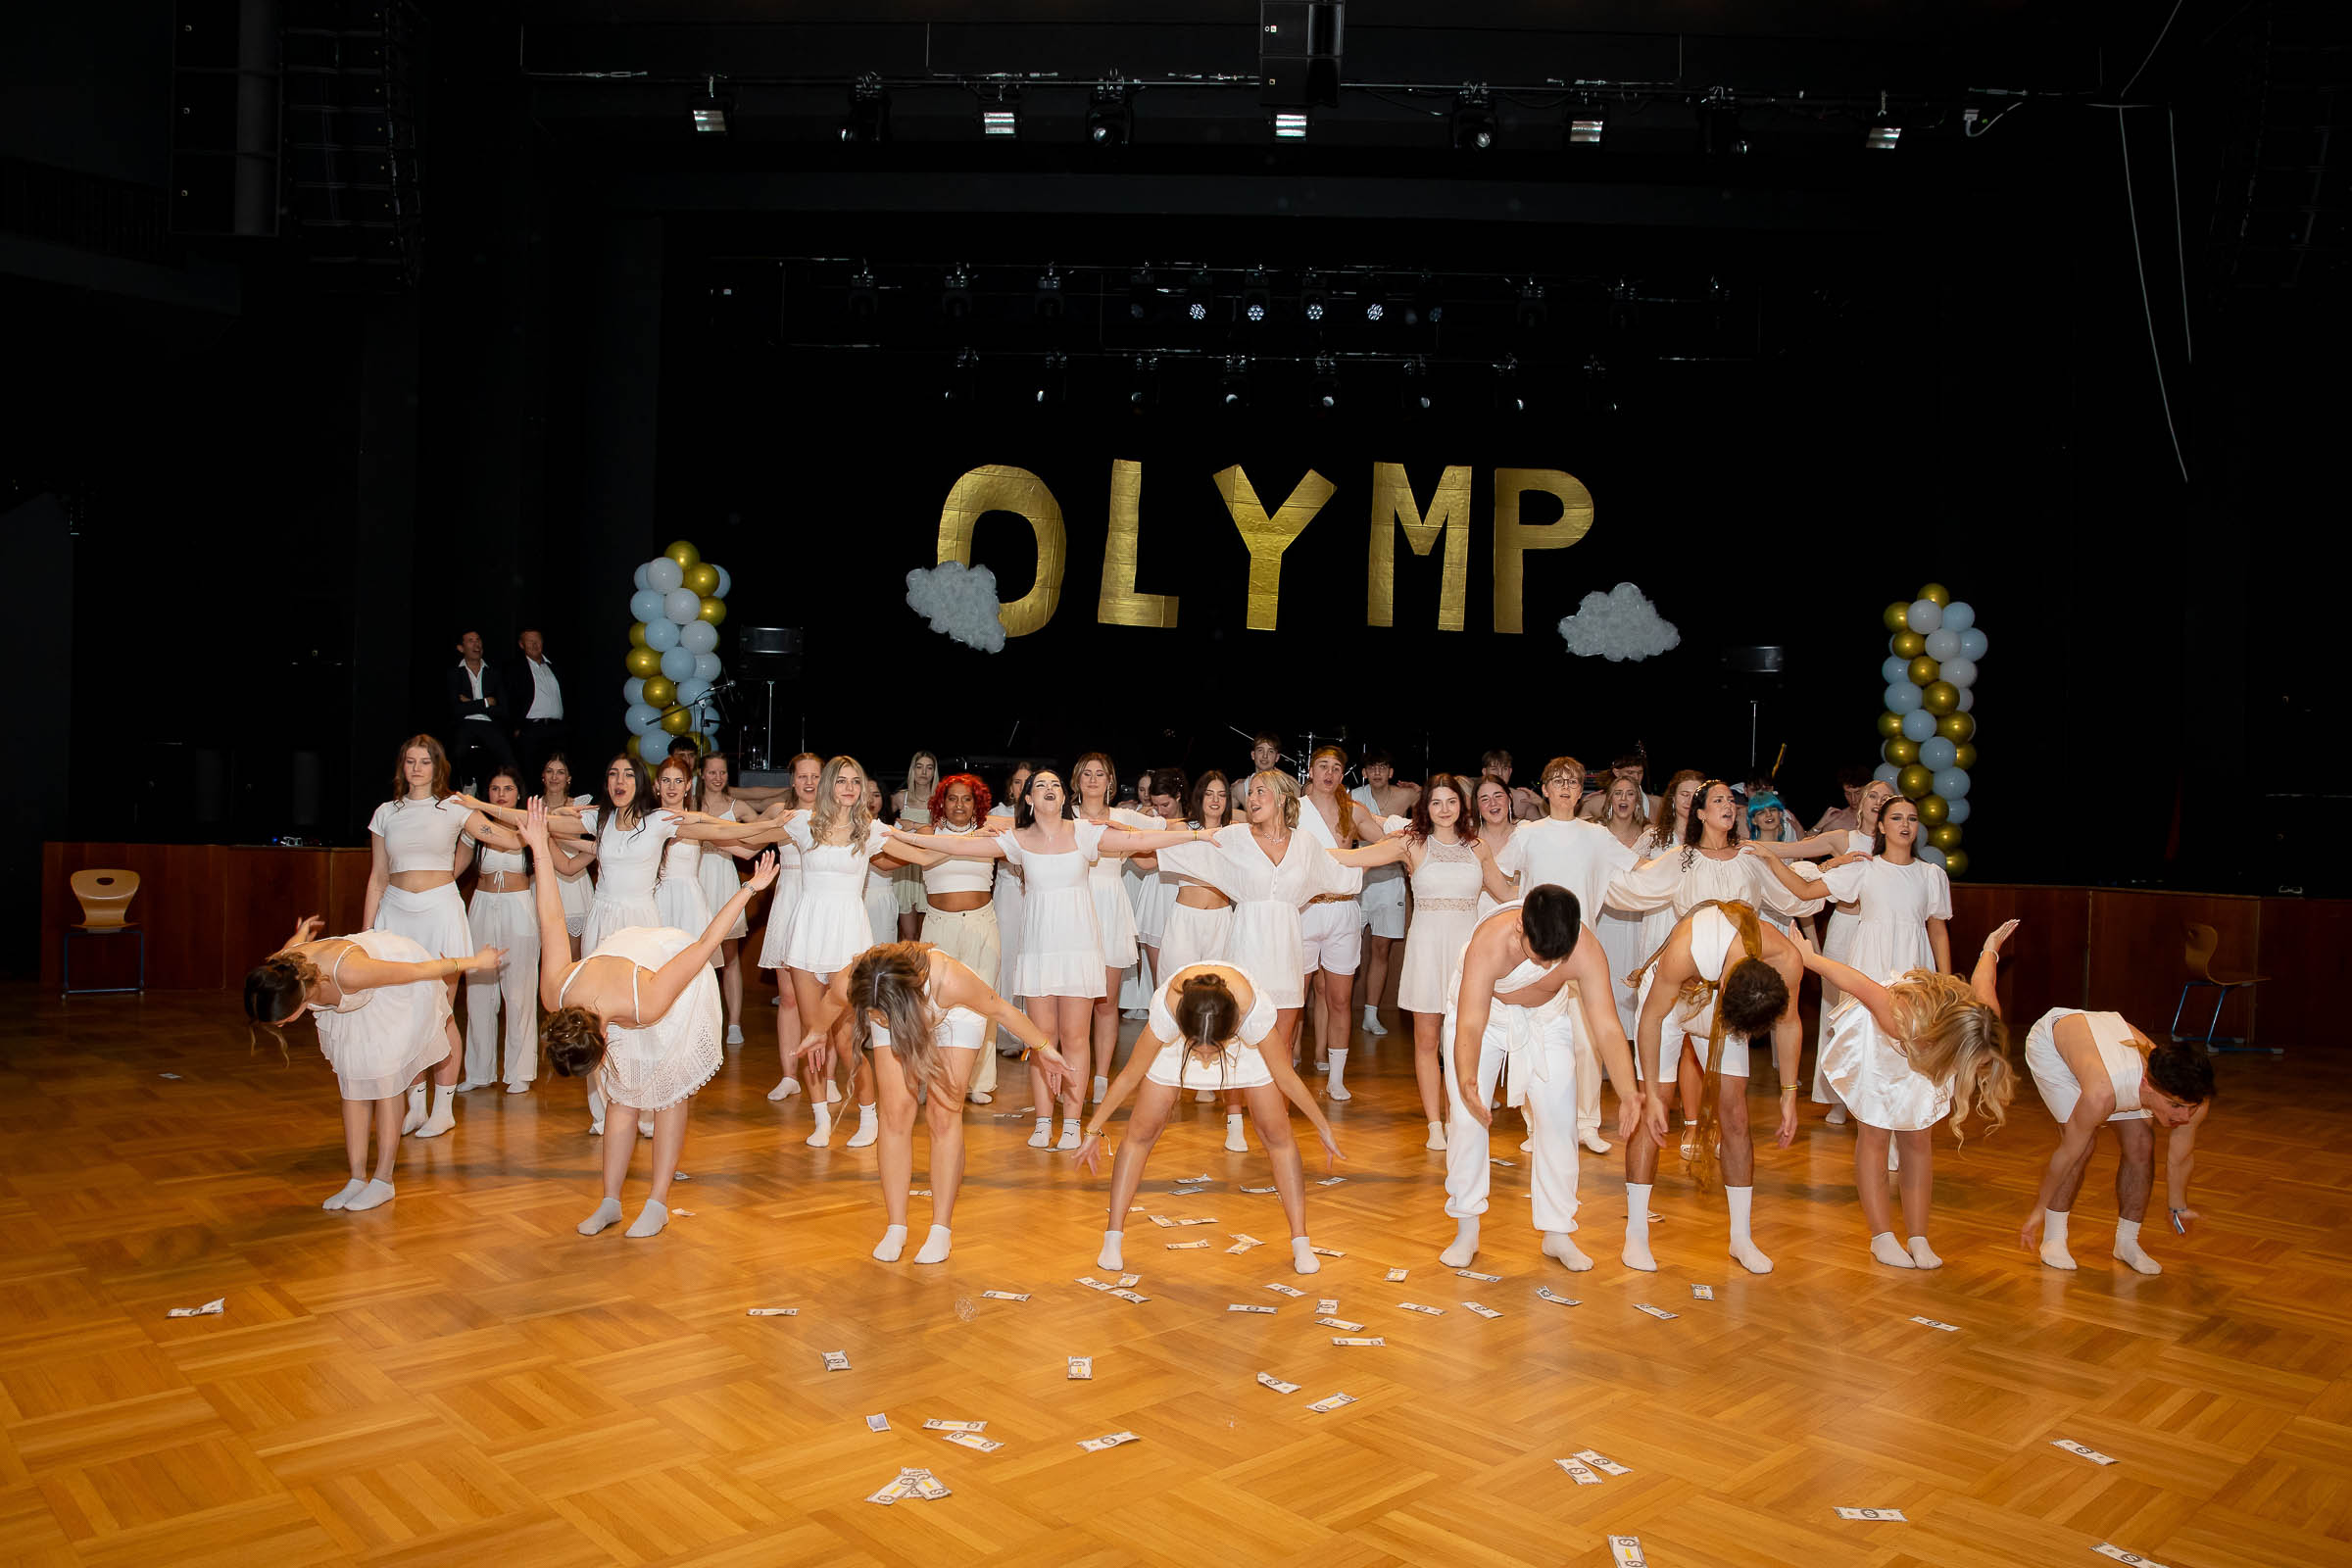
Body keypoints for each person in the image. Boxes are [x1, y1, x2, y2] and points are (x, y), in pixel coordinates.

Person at [888, 766, 1202, 1151]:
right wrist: (901, 834)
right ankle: (1042, 1121)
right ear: (1029, 799)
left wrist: (1197, 834)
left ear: (1063, 796)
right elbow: (956, 846)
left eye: (1055, 784)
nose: (1049, 788)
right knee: (1041, 1039)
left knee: (1075, 1038)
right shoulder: (1018, 839)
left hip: (1079, 947)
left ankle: (1071, 1122)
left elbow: (1142, 838)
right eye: (1041, 785)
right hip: (1038, 948)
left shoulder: (1085, 832)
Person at [457, 754, 762, 1135]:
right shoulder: (598, 818)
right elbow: (543, 824)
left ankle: (646, 1108)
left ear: (643, 783)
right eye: (613, 773)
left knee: (642, 1022)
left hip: (641, 918)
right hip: (603, 916)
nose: (620, 780)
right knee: (592, 1017)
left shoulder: (658, 820)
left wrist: (771, 827)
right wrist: (480, 806)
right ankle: (603, 1110)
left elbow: (717, 828)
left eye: (628, 774)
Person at [523, 802, 777, 1239]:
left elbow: (703, 947)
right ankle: (610, 1201)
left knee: (667, 1095)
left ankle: (658, 1202)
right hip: (625, 955)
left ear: (605, 1035)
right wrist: (539, 850)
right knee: (621, 1095)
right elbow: (552, 918)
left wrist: (749, 889)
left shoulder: (650, 1002)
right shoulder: (557, 993)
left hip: (673, 967)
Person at [799, 942, 1067, 1263]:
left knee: (943, 1114)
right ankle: (896, 1227)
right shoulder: (860, 981)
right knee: (895, 1113)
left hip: (955, 1012)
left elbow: (1001, 1010)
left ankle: (941, 1229)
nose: (877, 1023)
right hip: (895, 1007)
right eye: (872, 1017)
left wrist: (1045, 1049)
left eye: (879, 1017)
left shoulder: (950, 980)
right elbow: (831, 1001)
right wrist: (817, 1033)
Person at [1076, 962, 1345, 1275]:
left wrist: (1323, 1127)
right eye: (1198, 1050)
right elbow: (1128, 1077)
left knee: (1277, 1135)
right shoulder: (1167, 1013)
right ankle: (1112, 1239)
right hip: (1179, 1040)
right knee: (1141, 1132)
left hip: (1243, 1045)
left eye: (1211, 1052)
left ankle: (1301, 1242)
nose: (1204, 1059)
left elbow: (1286, 1077)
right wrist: (1092, 1130)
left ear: (1232, 1031)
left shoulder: (1252, 1015)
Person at [1152, 770, 1366, 1152]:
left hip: (1286, 951)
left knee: (1281, 1045)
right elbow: (1178, 846)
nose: (1251, 798)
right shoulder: (1234, 838)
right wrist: (1124, 829)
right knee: (1235, 1039)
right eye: (1250, 793)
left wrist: (1403, 848)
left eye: (1260, 792)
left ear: (1282, 798)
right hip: (1246, 948)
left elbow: (1345, 865)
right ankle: (1235, 1124)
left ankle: (1277, 1129)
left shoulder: (1305, 843)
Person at [1442, 888, 1649, 1271]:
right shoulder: (1491, 941)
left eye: (1556, 958)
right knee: (1467, 1121)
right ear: (1520, 926)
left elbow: (1606, 1025)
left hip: (1546, 1019)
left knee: (1558, 1120)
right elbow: (1470, 1021)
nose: (1547, 965)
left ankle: (1558, 1232)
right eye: (1540, 956)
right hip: (1483, 1019)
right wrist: (1468, 1078)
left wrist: (1628, 1092)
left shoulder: (1585, 948)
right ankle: (1466, 1227)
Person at [1793, 919, 2017, 1268]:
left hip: (1930, 1047)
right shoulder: (1897, 1019)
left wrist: (1991, 948)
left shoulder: (1984, 1016)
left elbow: (1983, 979)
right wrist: (1810, 958)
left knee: (1917, 1137)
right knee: (1875, 1133)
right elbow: (1859, 984)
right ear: (1950, 1048)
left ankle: (1918, 1237)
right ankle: (1881, 1237)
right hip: (1886, 1039)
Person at [243, 915, 502, 1212]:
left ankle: (383, 1181)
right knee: (351, 1083)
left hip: (397, 981)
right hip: (356, 995)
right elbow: (293, 946)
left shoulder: (351, 972)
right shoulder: (283, 967)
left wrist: (475, 961)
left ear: (300, 998)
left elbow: (417, 970)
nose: (281, 1025)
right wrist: (302, 931)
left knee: (385, 1082)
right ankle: (356, 1179)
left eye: (282, 1020)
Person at [1619, 898, 1810, 1275]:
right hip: (1669, 1001)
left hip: (1728, 1002)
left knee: (1735, 1113)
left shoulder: (1787, 959)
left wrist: (1789, 1095)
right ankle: (1636, 1234)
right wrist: (1652, 1094)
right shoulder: (1685, 950)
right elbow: (1651, 1019)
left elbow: (1789, 1024)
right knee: (1654, 1107)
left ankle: (1741, 1237)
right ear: (1724, 983)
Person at [1324, 775, 1509, 1138]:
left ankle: (1458, 1121)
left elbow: (1506, 892)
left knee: (1462, 1042)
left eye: (1451, 802)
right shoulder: (1411, 843)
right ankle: (1435, 1126)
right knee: (1426, 1041)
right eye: (1436, 802)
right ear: (1425, 807)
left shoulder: (1478, 848)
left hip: (1466, 955)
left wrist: (1553, 889)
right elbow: (1353, 857)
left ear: (1462, 806)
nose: (1444, 809)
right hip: (1426, 950)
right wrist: (1298, 849)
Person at [365, 734, 523, 1139]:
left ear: (438, 767)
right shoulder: (386, 812)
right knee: (403, 1014)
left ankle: (444, 1108)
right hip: (395, 914)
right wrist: (366, 934)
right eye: (410, 761)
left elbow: (509, 839)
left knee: (440, 1011)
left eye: (425, 762)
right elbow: (378, 876)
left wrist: (492, 812)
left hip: (440, 911)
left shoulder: (453, 807)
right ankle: (416, 1104)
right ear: (402, 766)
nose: (417, 768)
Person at [1495, 756, 1631, 1155]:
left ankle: (1587, 1123)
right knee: (1535, 1039)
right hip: (1537, 951)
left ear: (1580, 791)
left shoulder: (1597, 836)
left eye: (1572, 781)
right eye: (1557, 781)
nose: (1566, 788)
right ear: (1545, 789)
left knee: (1587, 1043)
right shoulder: (1528, 834)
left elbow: (1637, 870)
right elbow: (1500, 878)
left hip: (1581, 950)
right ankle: (1537, 1125)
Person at [2018, 1003, 2216, 1275]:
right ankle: (2054, 1238)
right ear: (2148, 1087)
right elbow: (2066, 1154)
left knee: (2141, 1142)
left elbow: (2180, 1157)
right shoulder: (2102, 1093)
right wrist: (2038, 1210)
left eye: (2189, 1108)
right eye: (2175, 1106)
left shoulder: (2193, 1099)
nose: (2183, 1117)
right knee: (2082, 1145)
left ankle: (2127, 1242)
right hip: (2053, 1045)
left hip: (2103, 1042)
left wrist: (2177, 1207)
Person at [879, 772, 1005, 1104]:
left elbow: (1030, 836)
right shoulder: (927, 834)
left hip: (982, 924)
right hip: (938, 926)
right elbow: (888, 858)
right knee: (931, 1005)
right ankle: (929, 1079)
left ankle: (977, 1081)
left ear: (976, 803)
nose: (959, 805)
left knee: (984, 1002)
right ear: (941, 803)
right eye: (952, 798)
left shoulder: (990, 832)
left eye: (966, 799)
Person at [1294, 746, 1395, 1096]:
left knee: (1339, 999)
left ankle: (1336, 1079)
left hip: (1343, 909)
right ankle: (1285, 1068)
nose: (1329, 773)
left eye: (1336, 768)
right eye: (1323, 766)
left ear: (1342, 775)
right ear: (1310, 771)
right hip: (1304, 909)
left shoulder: (1352, 810)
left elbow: (1390, 843)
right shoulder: (1293, 810)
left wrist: (1360, 864)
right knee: (1294, 997)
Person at [1072, 752, 1160, 1102]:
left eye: (1100, 774)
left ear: (1110, 781)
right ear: (1077, 780)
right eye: (1087, 774)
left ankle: (1100, 1080)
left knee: (1106, 1003)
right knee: (1074, 1003)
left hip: (1110, 905)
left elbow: (1157, 841)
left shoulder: (1125, 817)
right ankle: (1072, 1076)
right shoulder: (1066, 816)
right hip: (1073, 906)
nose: (1093, 779)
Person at [458, 766, 541, 1096]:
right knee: (479, 991)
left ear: (518, 793)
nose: (501, 794)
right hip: (482, 906)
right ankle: (479, 1071)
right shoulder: (476, 826)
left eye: (508, 788)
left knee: (519, 991)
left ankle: (520, 1072)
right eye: (495, 788)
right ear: (487, 793)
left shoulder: (528, 825)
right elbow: (454, 868)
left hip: (518, 908)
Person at [1350, 749, 1420, 1039]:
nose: (1377, 772)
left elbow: (1433, 804)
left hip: (1391, 878)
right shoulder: (1353, 796)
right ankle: (1340, 1012)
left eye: (1383, 767)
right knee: (1348, 948)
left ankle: (1371, 1014)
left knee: (1381, 949)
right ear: (1364, 772)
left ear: (1391, 772)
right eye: (1372, 767)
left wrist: (1418, 789)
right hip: (1360, 877)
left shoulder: (1406, 795)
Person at [694, 752, 752, 1045]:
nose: (718, 778)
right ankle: (698, 1024)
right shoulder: (690, 806)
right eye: (712, 772)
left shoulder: (736, 806)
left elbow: (760, 833)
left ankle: (735, 1024)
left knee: (730, 957)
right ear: (701, 774)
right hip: (695, 879)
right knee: (694, 957)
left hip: (724, 881)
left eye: (723, 772)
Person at [1592, 772, 1651, 1041]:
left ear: (1637, 801)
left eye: (1630, 794)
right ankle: (1606, 1039)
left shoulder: (1650, 834)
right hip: (1605, 918)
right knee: (1606, 976)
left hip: (1638, 919)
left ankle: (1636, 1041)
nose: (1624, 798)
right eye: (1618, 793)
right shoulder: (1596, 833)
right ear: (1610, 800)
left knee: (1636, 977)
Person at [537, 752, 598, 961]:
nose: (554, 777)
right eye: (550, 771)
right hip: (542, 880)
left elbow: (600, 834)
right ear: (543, 776)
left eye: (560, 772)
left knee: (573, 955)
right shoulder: (533, 806)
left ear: (568, 778)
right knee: (542, 954)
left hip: (574, 883)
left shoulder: (580, 805)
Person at [444, 630, 515, 790]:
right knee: (455, 755)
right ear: (461, 648)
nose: (476, 644)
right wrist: (486, 702)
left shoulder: (494, 673)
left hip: (489, 724)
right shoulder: (454, 674)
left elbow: (503, 710)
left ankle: (510, 794)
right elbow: (455, 709)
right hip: (464, 724)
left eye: (478, 640)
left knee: (509, 759)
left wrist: (470, 704)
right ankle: (459, 791)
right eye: (471, 641)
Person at [890, 751, 940, 940]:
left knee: (929, 935)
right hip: (904, 867)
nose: (924, 772)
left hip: (929, 865)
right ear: (913, 770)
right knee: (908, 935)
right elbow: (881, 821)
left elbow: (945, 832)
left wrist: (913, 825)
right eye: (919, 767)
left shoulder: (940, 800)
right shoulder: (899, 798)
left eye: (929, 768)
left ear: (934, 772)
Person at [509, 627, 566, 785]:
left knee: (559, 774)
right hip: (531, 730)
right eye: (530, 641)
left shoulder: (554, 666)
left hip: (557, 729)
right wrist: (516, 728)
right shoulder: (515, 669)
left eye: (537, 640)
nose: (534, 644)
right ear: (522, 645)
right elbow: (510, 698)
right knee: (532, 777)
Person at [1579, 753, 1662, 823]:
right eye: (1630, 772)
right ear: (1617, 772)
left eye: (1640, 772)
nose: (1636, 777)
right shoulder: (1594, 803)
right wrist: (1579, 805)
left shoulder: (1658, 803)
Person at [1810, 765, 1873, 837]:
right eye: (1848, 793)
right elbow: (1809, 843)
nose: (1853, 799)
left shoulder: (1879, 816)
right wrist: (1819, 825)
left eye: (1857, 793)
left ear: (1868, 790)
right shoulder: (1836, 820)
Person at [1480, 749, 1543, 821]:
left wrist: (1542, 805)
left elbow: (1541, 826)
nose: (1500, 773)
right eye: (1494, 769)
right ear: (1484, 772)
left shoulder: (1522, 798)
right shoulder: (1475, 797)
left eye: (1505, 769)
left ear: (1510, 772)